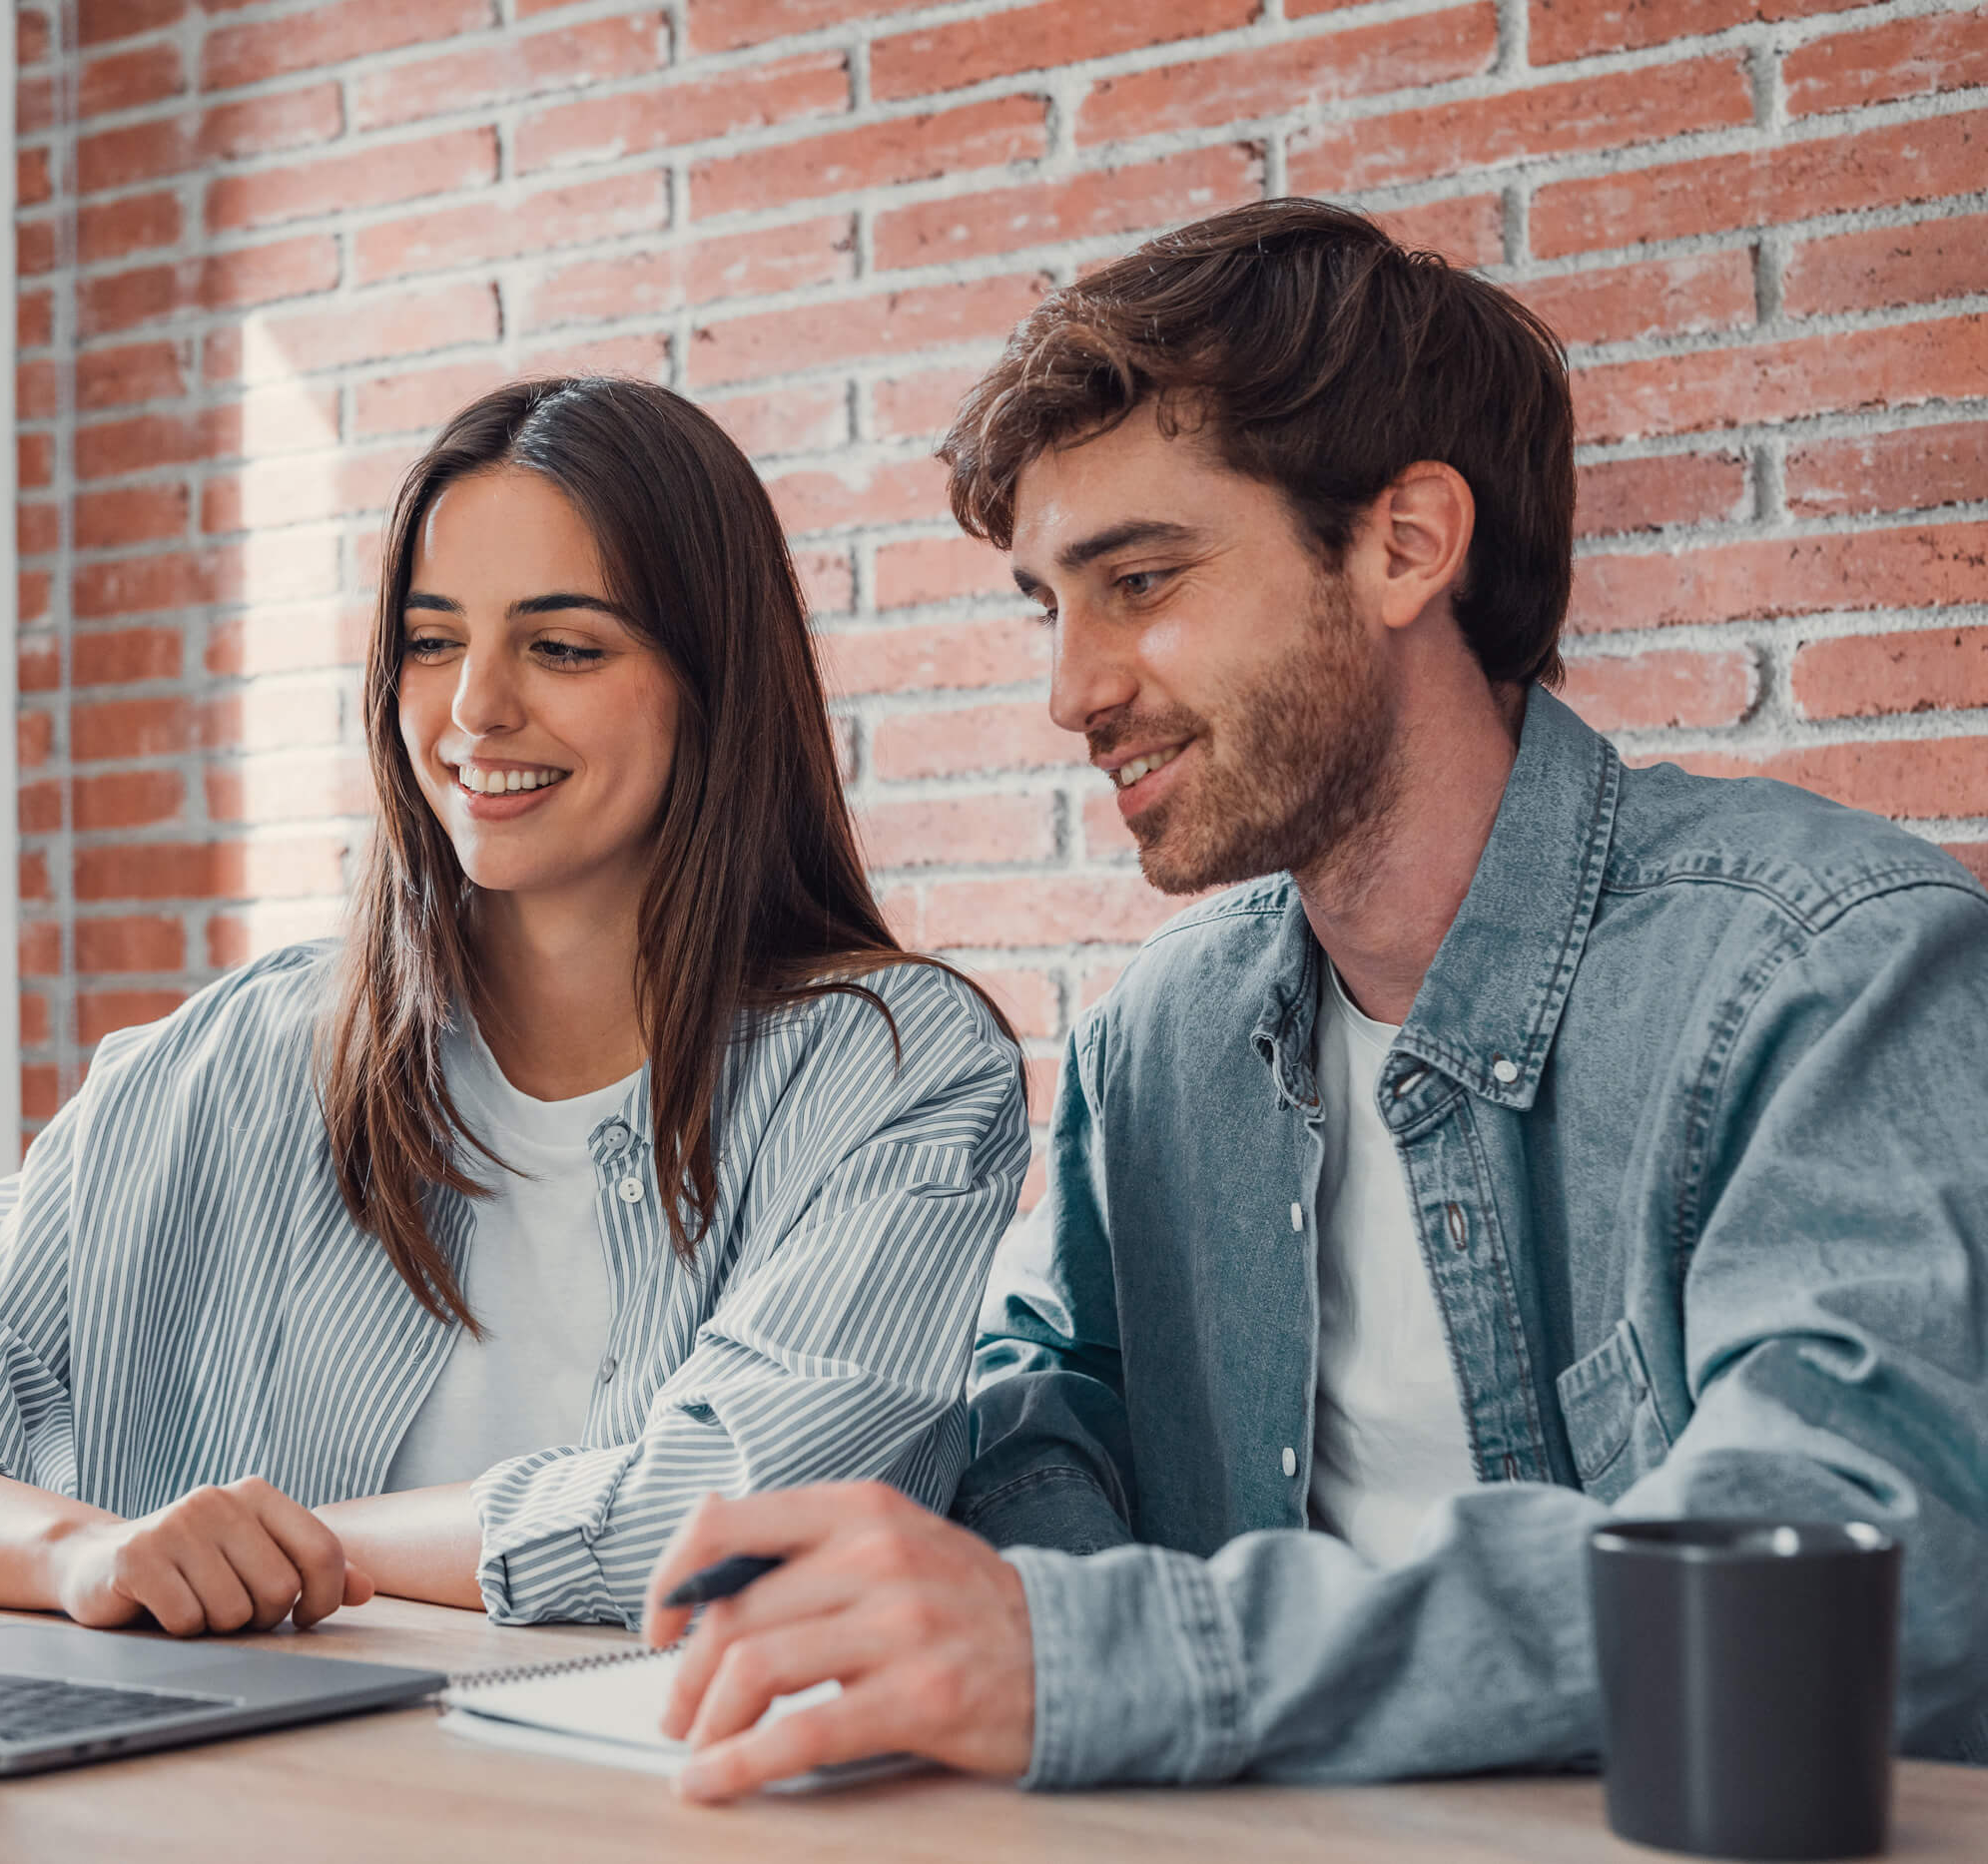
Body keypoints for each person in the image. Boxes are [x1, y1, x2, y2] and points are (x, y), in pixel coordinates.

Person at [638, 198, 1988, 1795]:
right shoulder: (1165, 1039)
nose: (1071, 688)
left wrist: (1107, 1655)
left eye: (1140, 577)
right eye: (1047, 606)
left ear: (1407, 541)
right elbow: (1045, 1404)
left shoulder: (1832, 967)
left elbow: (1845, 1562)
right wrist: (1018, 1615)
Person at [0, 376, 1026, 1637]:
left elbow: (738, 1518)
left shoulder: (890, 1070)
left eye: (563, 646)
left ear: (714, 684)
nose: (475, 707)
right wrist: (77, 1556)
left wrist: (302, 1550)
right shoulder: (249, 1051)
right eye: (431, 641)